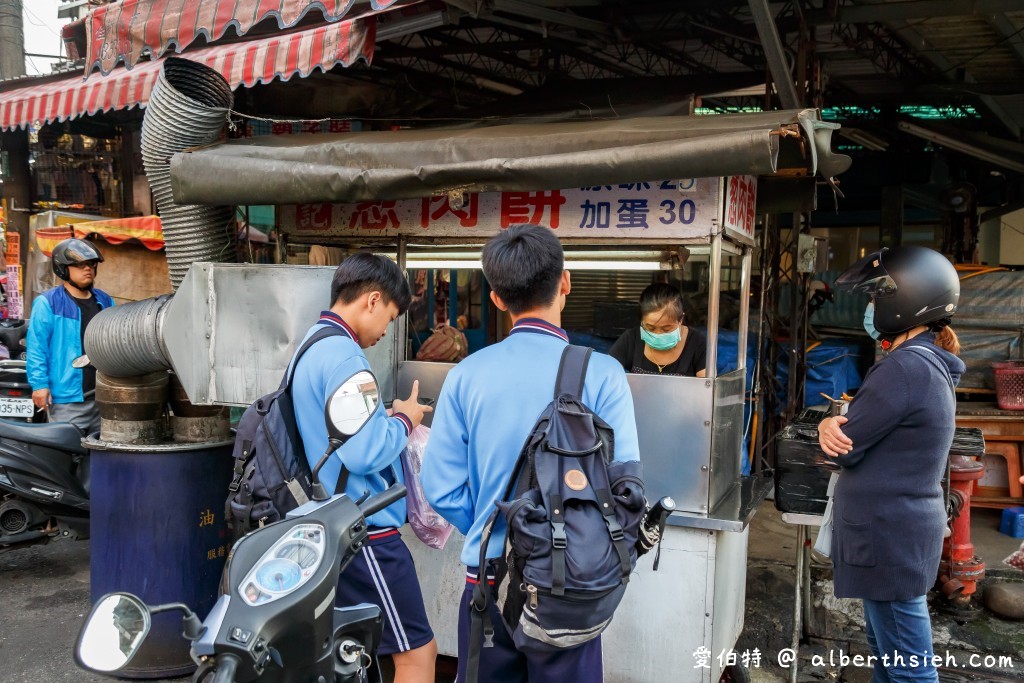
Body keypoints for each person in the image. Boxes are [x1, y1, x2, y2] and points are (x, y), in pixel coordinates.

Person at [421, 224, 641, 683]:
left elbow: (439, 487)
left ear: (498, 299)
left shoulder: (466, 375)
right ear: (565, 283)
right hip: (568, 586)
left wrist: (493, 524)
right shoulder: (603, 374)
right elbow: (627, 490)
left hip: (485, 582)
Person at [817, 246, 965, 683]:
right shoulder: (923, 361)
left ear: (908, 300)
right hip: (897, 535)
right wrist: (834, 422)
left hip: (888, 538)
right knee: (888, 658)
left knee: (908, 671)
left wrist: (830, 426)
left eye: (877, 295)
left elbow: (845, 446)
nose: (871, 307)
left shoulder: (903, 367)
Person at [291, 253, 436, 683]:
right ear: (372, 300)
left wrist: (380, 419)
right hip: (365, 531)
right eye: (390, 318)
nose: (386, 331)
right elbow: (365, 453)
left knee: (355, 653)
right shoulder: (345, 356)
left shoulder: (313, 342)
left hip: (330, 519)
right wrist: (405, 419)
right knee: (416, 651)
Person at [26, 238, 114, 434]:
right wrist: (39, 385)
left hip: (103, 397)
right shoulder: (48, 303)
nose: (88, 269)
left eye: (91, 264)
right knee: (67, 456)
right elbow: (37, 348)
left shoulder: (105, 300)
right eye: (79, 264)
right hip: (67, 399)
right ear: (63, 269)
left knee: (101, 457)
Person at [607, 282, 707, 377]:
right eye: (650, 328)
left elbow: (707, 387)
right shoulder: (630, 339)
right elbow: (607, 374)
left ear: (681, 319)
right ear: (641, 321)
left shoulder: (697, 342)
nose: (658, 334)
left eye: (666, 329)